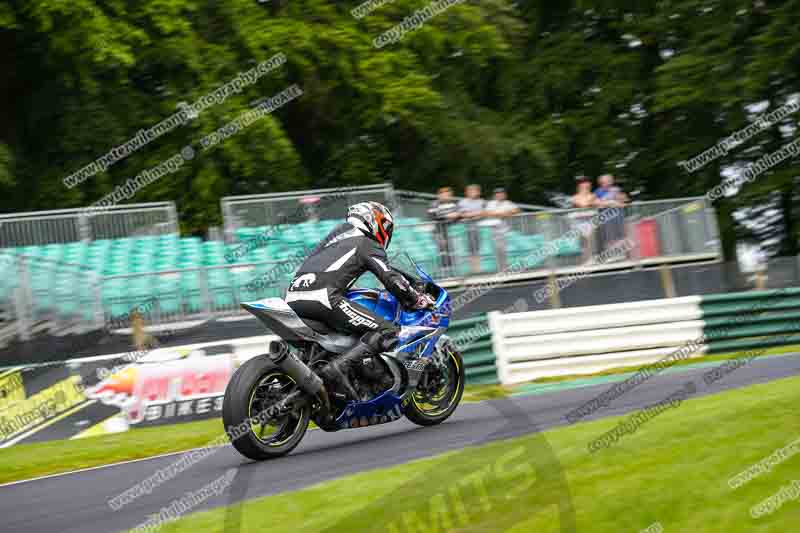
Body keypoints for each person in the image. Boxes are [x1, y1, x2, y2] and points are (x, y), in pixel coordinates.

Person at [285, 201, 435, 398]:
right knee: (387, 331)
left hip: (292, 297)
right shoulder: (367, 242)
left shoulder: (335, 237)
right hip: (323, 298)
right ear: (375, 221)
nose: (386, 233)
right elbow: (391, 279)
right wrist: (417, 299)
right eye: (386, 227)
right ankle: (338, 368)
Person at [483, 187, 519, 271]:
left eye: (501, 193)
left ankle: (507, 268)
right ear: (495, 195)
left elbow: (516, 210)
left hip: (505, 231)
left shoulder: (508, 203)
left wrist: (506, 213)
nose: (499, 195)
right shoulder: (491, 203)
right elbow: (485, 212)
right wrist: (499, 214)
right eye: (497, 194)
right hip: (493, 231)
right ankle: (501, 269)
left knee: (506, 250)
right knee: (498, 251)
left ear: (505, 195)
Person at [427, 186, 460, 274]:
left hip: (451, 231)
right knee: (442, 250)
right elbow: (433, 215)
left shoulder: (454, 204)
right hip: (439, 231)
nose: (446, 196)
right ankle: (444, 271)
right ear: (439, 195)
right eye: (444, 194)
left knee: (451, 250)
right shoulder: (434, 204)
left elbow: (458, 215)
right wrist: (448, 216)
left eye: (448, 194)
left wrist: (453, 216)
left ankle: (453, 271)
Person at [593, 174, 628, 257]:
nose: (607, 183)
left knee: (619, 234)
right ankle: (610, 255)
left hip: (617, 217)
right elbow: (595, 203)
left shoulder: (616, 190)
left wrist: (617, 201)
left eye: (609, 181)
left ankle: (621, 254)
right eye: (604, 182)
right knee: (607, 236)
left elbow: (624, 201)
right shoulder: (598, 191)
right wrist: (609, 203)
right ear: (601, 183)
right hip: (606, 218)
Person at [458, 184, 486, 274]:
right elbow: (462, 214)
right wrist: (476, 214)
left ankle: (477, 270)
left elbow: (485, 213)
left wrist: (471, 214)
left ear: (478, 192)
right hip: (467, 229)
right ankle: (473, 270)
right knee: (471, 250)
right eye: (470, 191)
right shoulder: (462, 202)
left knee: (477, 250)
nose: (472, 192)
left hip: (479, 229)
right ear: (467, 192)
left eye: (474, 190)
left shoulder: (482, 201)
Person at [570, 176, 598, 263]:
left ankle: (589, 259)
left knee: (589, 239)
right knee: (583, 241)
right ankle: (585, 259)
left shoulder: (592, 195)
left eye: (588, 184)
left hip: (590, 220)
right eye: (584, 184)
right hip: (578, 222)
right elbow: (583, 204)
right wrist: (591, 200)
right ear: (579, 186)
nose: (587, 186)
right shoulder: (575, 197)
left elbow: (600, 203)